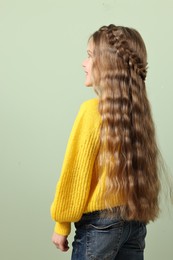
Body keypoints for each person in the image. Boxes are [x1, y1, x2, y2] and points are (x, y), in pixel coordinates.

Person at [50, 24, 172, 260]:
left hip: (100, 226)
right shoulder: (136, 113)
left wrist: (61, 224)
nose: (84, 64)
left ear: (108, 64)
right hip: (134, 222)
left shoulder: (91, 111)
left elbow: (75, 174)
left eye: (89, 56)